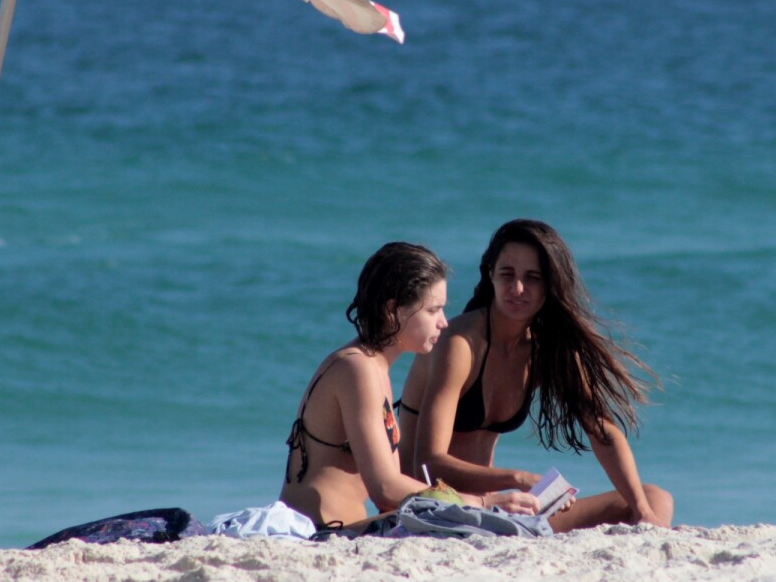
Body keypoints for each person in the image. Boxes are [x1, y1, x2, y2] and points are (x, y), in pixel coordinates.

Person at [398, 220, 674, 531]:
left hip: (493, 509)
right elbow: (428, 462)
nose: (518, 289)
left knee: (654, 498)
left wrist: (641, 511)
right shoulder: (461, 344)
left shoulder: (545, 349)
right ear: (490, 274)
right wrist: (517, 479)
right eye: (507, 275)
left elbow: (602, 432)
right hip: (436, 507)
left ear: (550, 284)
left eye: (532, 278)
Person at [279, 241, 536, 530]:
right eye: (432, 310)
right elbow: (385, 488)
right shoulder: (357, 368)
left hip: (345, 526)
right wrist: (480, 503)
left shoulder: (372, 366)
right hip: (323, 531)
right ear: (394, 310)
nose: (443, 323)